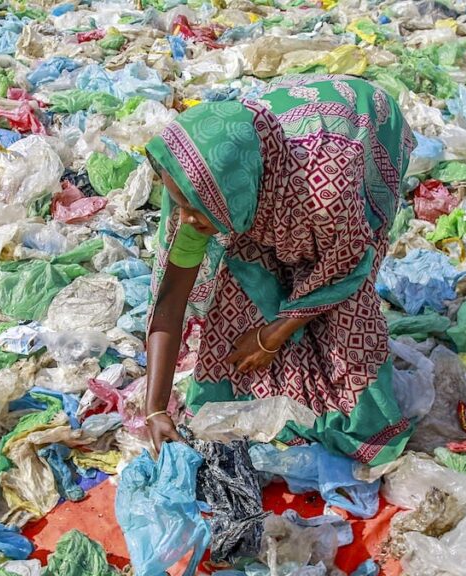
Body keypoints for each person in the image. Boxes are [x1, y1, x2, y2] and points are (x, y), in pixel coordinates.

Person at [143, 75, 415, 467]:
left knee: (341, 310)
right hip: (267, 178)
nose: (185, 218)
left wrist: (271, 336)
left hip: (362, 129)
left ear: (235, 189)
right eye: (178, 203)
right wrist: (155, 409)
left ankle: (346, 406)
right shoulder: (197, 186)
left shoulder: (327, 192)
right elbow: (170, 299)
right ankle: (274, 384)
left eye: (193, 208)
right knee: (237, 279)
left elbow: (347, 268)